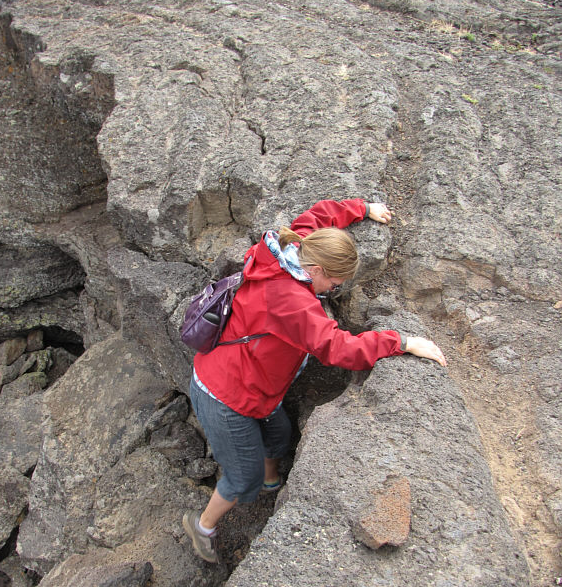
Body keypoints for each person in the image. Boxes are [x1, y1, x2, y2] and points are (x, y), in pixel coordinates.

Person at [183, 197, 447, 563]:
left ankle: (271, 482)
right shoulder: (291, 300)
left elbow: (320, 214)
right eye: (334, 283)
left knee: (279, 433)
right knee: (242, 479)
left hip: (254, 381)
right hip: (224, 394)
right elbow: (337, 347)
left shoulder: (294, 246)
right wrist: (401, 342)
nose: (333, 290)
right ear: (318, 269)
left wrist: (362, 209)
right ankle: (202, 526)